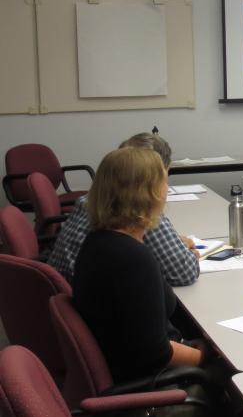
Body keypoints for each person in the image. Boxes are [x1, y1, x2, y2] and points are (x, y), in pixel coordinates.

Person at [71, 147, 201, 384]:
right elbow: (157, 354)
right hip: (152, 385)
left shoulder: (99, 240)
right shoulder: (132, 259)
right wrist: (208, 357)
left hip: (125, 363)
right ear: (150, 193)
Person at [48, 132, 200, 286]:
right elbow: (182, 272)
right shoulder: (138, 213)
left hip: (62, 296)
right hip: (91, 304)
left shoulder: (90, 201)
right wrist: (190, 253)